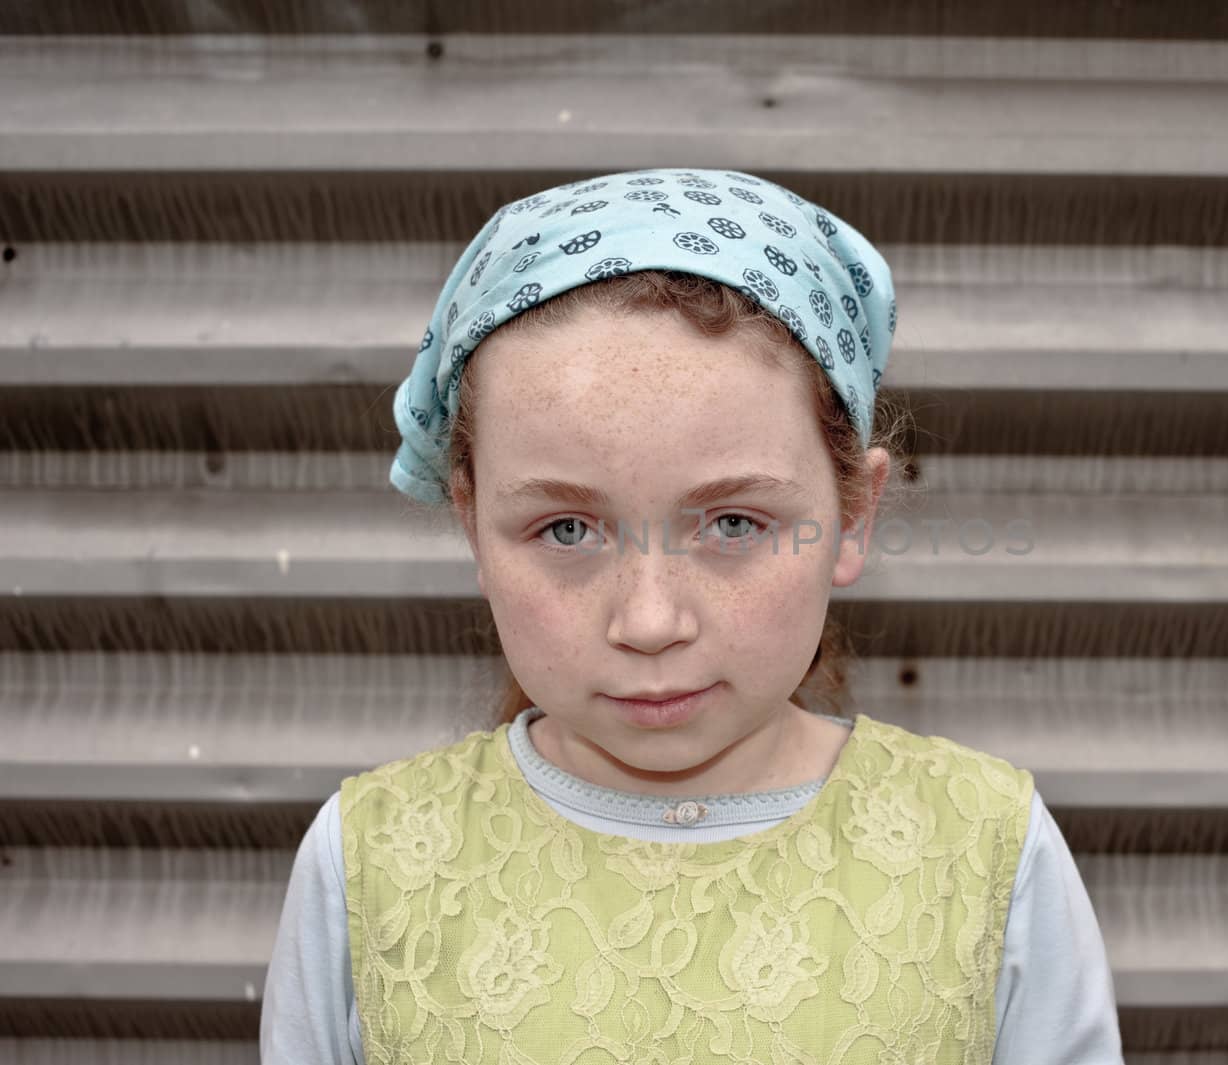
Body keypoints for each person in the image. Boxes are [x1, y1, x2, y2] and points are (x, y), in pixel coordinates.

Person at [261, 167, 1123, 1064]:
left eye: (734, 522)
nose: (649, 619)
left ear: (852, 516)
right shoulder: (369, 865)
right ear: (471, 522)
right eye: (566, 527)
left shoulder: (986, 851)